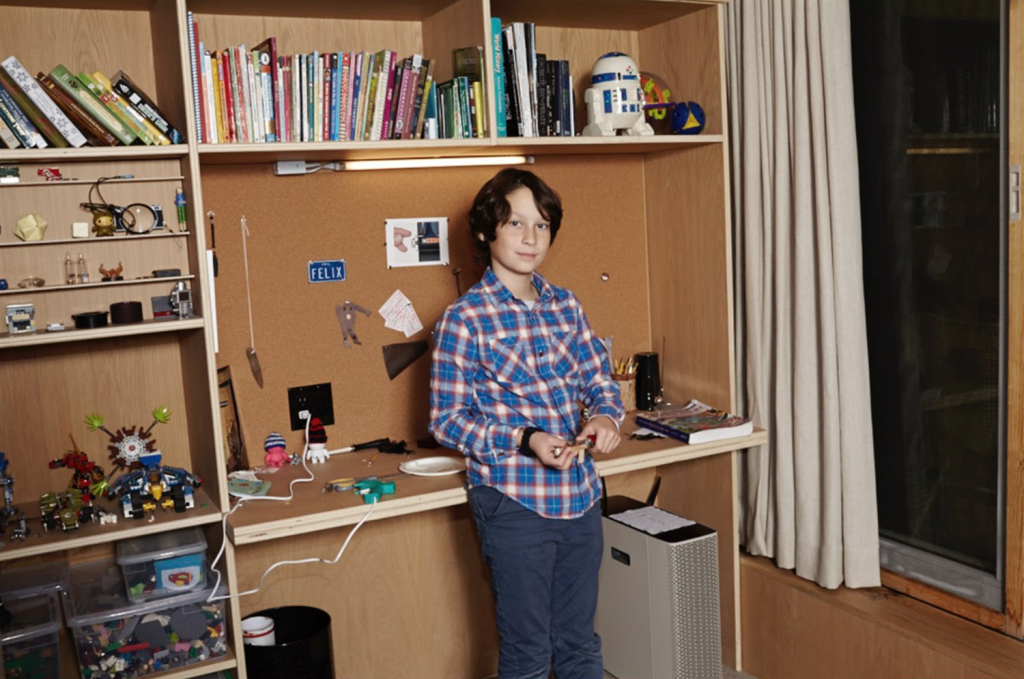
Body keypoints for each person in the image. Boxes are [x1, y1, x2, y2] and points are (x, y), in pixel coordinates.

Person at [429, 168, 625, 679]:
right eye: (515, 223)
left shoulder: (566, 305)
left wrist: (604, 414)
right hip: (514, 502)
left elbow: (598, 379)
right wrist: (524, 438)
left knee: (581, 643)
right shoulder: (464, 319)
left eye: (540, 225)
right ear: (485, 232)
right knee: (529, 653)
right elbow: (446, 421)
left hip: (580, 496)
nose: (530, 237)